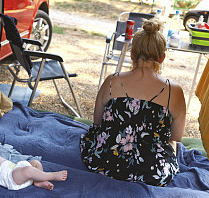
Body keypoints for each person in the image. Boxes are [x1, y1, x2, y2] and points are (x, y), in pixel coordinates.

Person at [80, 18, 186, 187]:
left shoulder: (112, 81)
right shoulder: (175, 91)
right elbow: (176, 137)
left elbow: (97, 122)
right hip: (153, 172)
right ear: (162, 57)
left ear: (132, 54)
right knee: (171, 144)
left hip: (105, 162)